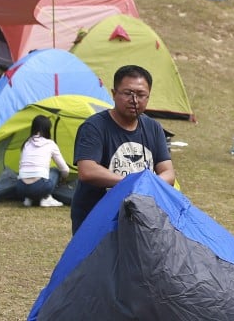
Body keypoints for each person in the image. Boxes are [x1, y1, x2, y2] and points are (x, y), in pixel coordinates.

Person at [70, 65, 175, 234]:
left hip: (139, 219)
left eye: (141, 95)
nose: (134, 100)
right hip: (97, 221)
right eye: (127, 93)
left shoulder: (153, 128)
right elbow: (87, 171)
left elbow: (168, 173)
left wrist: (147, 184)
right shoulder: (94, 127)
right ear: (114, 94)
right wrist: (133, 182)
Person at [16, 114, 70, 208]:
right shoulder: (50, 144)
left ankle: (28, 198)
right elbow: (65, 169)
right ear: (47, 129)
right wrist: (64, 178)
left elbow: (21, 166)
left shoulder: (26, 143)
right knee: (55, 171)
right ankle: (46, 198)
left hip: (21, 187)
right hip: (40, 186)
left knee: (32, 175)